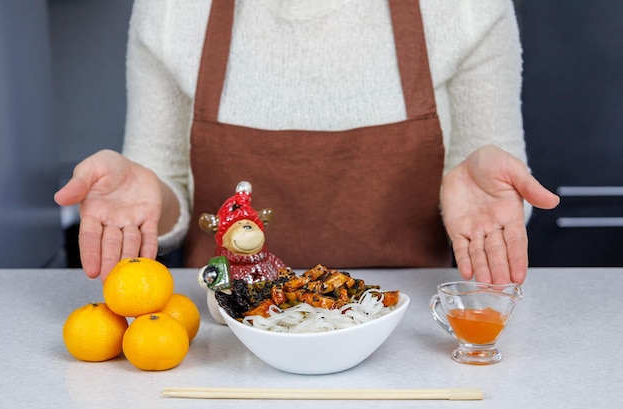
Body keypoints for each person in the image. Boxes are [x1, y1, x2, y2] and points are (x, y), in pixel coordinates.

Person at [54, 0, 559, 285]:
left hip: (405, 335)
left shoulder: (468, 10)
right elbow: (165, 197)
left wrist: (483, 195)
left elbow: (496, 207)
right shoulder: (169, 12)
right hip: (226, 339)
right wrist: (147, 198)